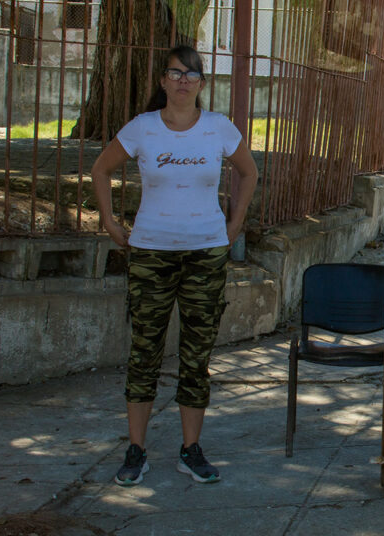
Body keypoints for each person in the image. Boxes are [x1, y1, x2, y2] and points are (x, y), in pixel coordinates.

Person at [91, 45, 258, 486]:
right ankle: (136, 450)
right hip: (149, 253)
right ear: (163, 82)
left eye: (191, 74)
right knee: (144, 352)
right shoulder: (142, 128)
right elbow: (101, 169)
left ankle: (190, 449)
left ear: (202, 84)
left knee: (196, 354)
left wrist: (234, 223)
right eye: (174, 73)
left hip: (206, 253)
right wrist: (109, 219)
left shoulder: (218, 128)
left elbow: (249, 171)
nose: (183, 81)